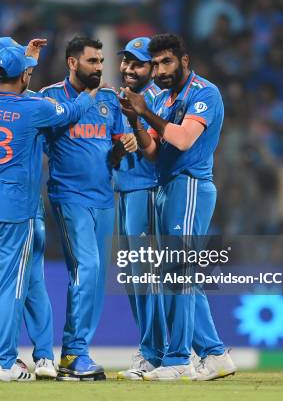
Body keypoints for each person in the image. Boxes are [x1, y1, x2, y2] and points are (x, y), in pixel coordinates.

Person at [0, 46, 98, 382]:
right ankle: (4, 362)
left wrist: (25, 60)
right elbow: (70, 112)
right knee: (13, 289)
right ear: (25, 76)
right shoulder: (34, 107)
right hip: (15, 212)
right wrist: (90, 96)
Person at [120, 33, 236, 381]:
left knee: (178, 274)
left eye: (166, 62)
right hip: (168, 186)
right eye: (154, 64)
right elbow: (153, 152)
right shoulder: (167, 99)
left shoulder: (204, 92)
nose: (159, 70)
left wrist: (146, 113)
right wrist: (135, 121)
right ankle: (215, 355)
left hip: (191, 185)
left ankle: (177, 360)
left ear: (184, 61)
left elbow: (184, 139)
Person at [40, 36, 137, 381]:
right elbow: (37, 140)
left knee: (94, 279)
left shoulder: (110, 100)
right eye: (92, 61)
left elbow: (117, 147)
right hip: (69, 197)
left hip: (103, 198)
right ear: (72, 63)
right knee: (87, 267)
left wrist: (125, 146)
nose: (99, 67)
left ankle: (78, 352)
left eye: (100, 61)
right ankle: (73, 354)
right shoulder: (50, 97)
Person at [0, 36, 57, 379]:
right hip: (21, 206)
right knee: (23, 284)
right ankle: (23, 357)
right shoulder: (32, 104)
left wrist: (26, 61)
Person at [113, 37, 168, 381]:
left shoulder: (158, 101)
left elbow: (156, 146)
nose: (129, 69)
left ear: (152, 69)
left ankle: (156, 353)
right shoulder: (119, 98)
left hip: (147, 191)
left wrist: (137, 128)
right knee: (135, 280)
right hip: (125, 190)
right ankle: (153, 349)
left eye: (137, 64)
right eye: (126, 62)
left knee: (148, 278)